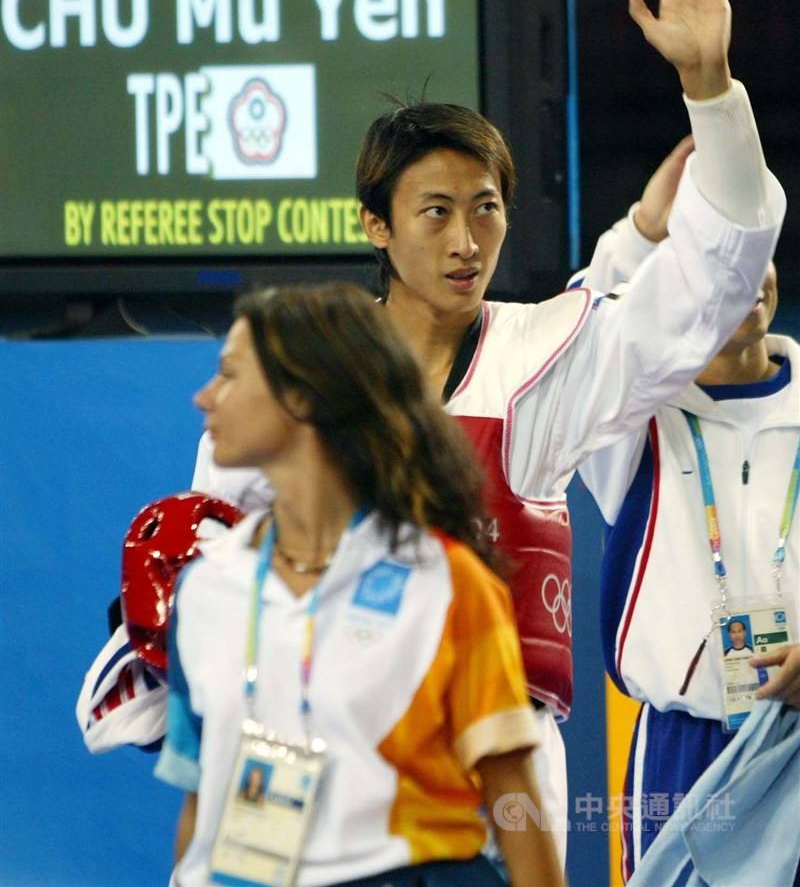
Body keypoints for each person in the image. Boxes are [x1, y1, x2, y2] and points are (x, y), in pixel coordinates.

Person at [79, 0, 786, 861]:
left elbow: (715, 279)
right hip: (301, 737)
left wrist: (712, 91)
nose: (466, 241)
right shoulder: (297, 369)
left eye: (485, 207)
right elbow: (219, 544)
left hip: (487, 749)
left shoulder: (552, 351)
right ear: (375, 224)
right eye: (436, 212)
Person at [155, 283, 562, 887]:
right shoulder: (204, 590)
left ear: (303, 396)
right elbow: (199, 800)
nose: (204, 396)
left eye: (230, 375)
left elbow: (514, 799)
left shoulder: (448, 585)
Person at [571, 136, 799, 880]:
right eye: (714, 261)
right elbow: (581, 343)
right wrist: (640, 233)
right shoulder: (633, 421)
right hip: (685, 741)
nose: (741, 280)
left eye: (751, 253)